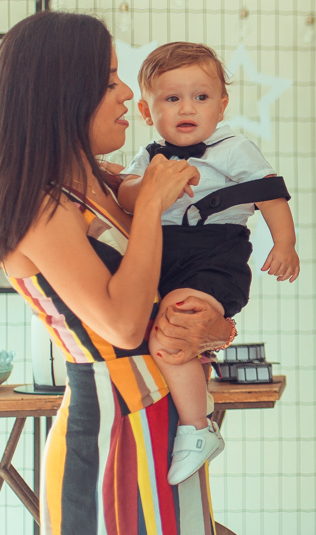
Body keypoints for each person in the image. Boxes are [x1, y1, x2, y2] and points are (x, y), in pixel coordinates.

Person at [0, 11, 234, 535]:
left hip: (159, 420)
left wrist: (213, 327)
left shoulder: (101, 186)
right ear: (61, 92)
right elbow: (120, 323)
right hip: (113, 434)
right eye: (108, 77)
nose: (124, 93)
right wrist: (151, 209)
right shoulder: (41, 205)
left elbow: (170, 303)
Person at [118, 42, 298, 485]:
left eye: (201, 97)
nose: (187, 108)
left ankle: (198, 429)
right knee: (168, 336)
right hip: (163, 256)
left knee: (177, 324)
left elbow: (271, 195)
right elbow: (125, 195)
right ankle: (192, 407)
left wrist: (285, 244)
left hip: (215, 257)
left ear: (222, 105)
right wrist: (150, 186)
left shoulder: (235, 149)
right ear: (146, 110)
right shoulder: (150, 157)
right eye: (171, 98)